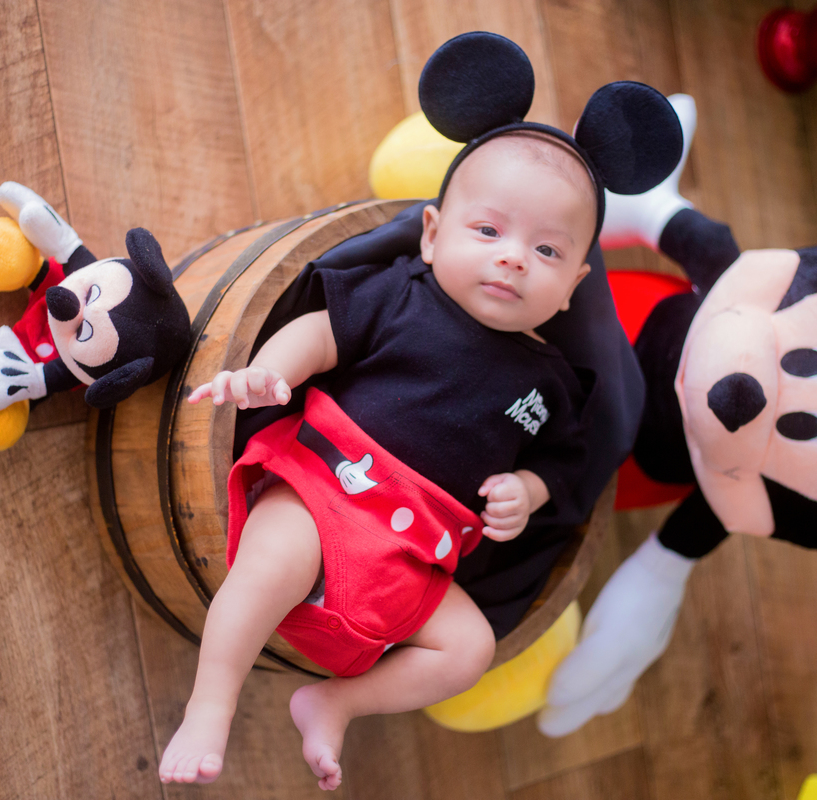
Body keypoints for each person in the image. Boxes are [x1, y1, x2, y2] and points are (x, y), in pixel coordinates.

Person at [157, 130, 599, 789]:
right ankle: (210, 705)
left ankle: (337, 702)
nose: (513, 260)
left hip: (416, 551)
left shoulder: (554, 384)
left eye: (546, 250)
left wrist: (528, 491)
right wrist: (271, 373)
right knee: (272, 565)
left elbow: (566, 469)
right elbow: (320, 333)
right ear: (431, 234)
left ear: (572, 285)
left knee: (471, 649)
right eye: (488, 231)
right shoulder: (403, 296)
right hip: (327, 485)